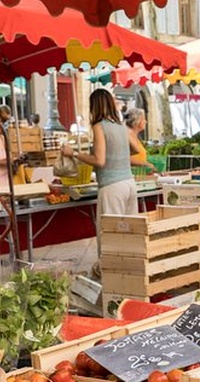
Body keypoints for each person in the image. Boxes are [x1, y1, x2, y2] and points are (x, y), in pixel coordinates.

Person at [61, 89, 138, 270]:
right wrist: (118, 153)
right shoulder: (121, 125)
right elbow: (135, 149)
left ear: (94, 106)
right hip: (129, 183)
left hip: (112, 187)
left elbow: (99, 160)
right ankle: (130, 273)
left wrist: (75, 153)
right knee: (130, 235)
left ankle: (111, 276)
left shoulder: (99, 126)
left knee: (110, 236)